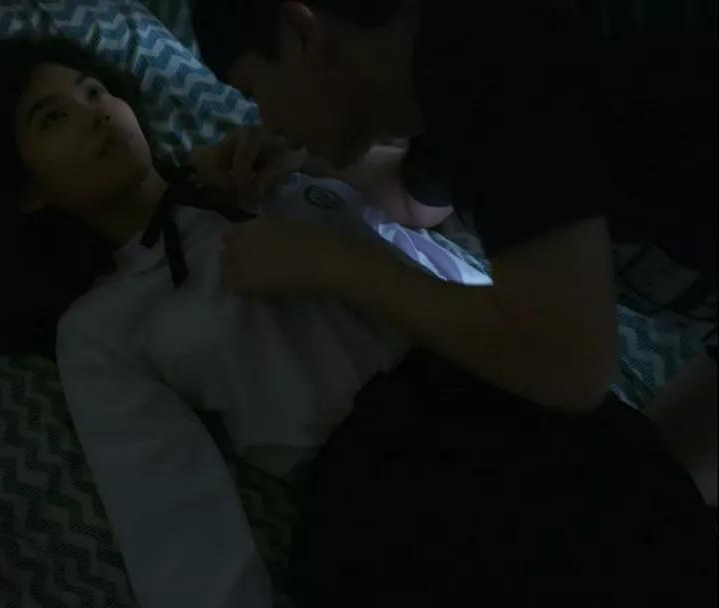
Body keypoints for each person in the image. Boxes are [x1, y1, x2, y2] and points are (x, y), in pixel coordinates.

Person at [0, 36, 503, 608]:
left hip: (481, 360)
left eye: (95, 91)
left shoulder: (252, 169)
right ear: (28, 190)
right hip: (380, 472)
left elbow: (429, 202)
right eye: (54, 117)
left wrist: (306, 156)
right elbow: (168, 508)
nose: (98, 113)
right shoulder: (99, 325)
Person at [188, 0, 717, 604]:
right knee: (649, 498)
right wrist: (305, 159)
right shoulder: (440, 61)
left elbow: (568, 364)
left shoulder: (492, 56)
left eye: (256, 92)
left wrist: (332, 265)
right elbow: (421, 199)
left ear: (300, 32)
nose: (268, 120)